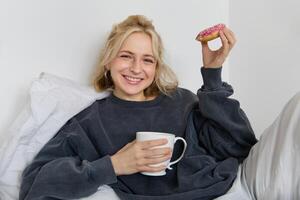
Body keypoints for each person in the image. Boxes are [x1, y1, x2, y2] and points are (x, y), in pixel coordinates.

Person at [19, 15, 300, 200]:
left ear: (157, 66)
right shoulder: (90, 121)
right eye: (126, 56)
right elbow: (34, 185)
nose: (136, 69)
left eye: (148, 60)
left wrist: (212, 76)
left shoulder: (181, 100)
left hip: (226, 187)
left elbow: (240, 146)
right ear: (108, 60)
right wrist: (114, 165)